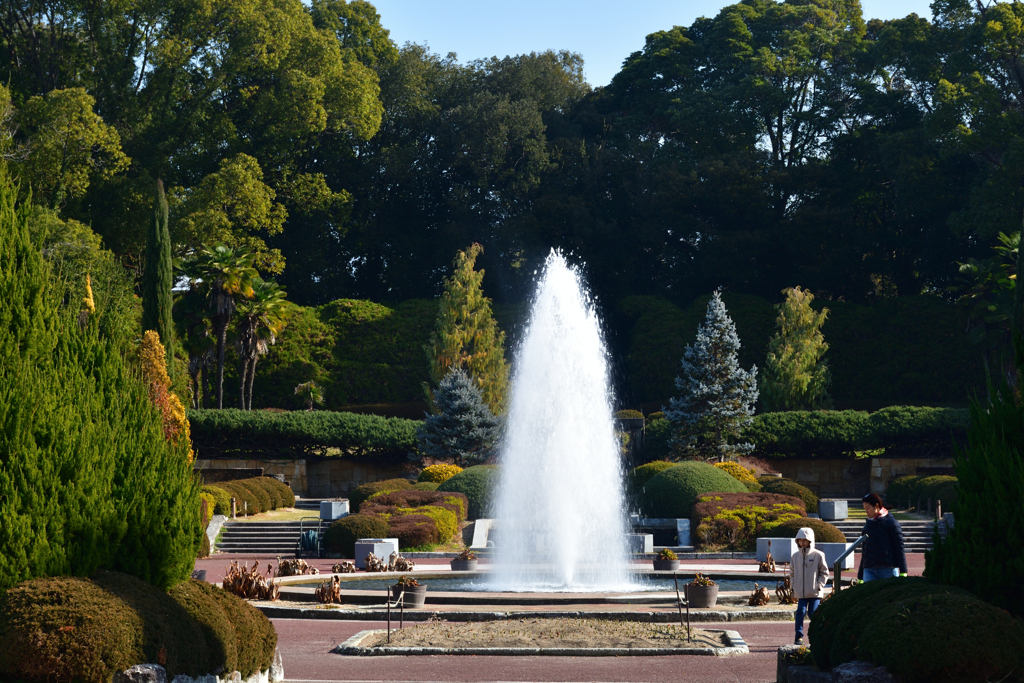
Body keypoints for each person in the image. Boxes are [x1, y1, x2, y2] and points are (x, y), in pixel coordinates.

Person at [790, 527, 830, 646]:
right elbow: (792, 573)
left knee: (813, 613)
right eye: (800, 540)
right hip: (801, 593)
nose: (802, 542)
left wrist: (819, 585)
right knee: (800, 612)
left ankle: (818, 634)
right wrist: (793, 586)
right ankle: (798, 636)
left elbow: (824, 572)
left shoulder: (818, 555)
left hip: (814, 592)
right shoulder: (795, 556)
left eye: (805, 540)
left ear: (810, 540)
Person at [857, 493, 908, 582]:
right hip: (869, 570)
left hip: (888, 569)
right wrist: (860, 576)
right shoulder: (867, 526)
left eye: (868, 508)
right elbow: (865, 551)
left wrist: (903, 570)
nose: (866, 511)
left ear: (876, 506)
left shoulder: (892, 523)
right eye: (864, 509)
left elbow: (899, 547)